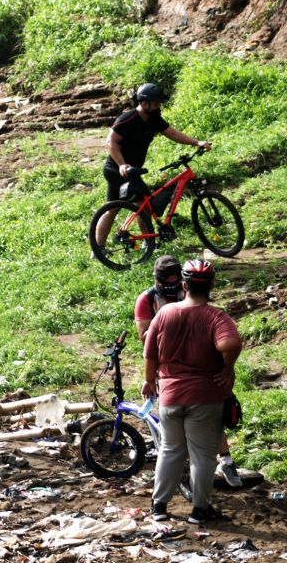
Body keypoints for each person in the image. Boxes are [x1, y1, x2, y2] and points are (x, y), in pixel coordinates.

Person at [142, 259, 242, 524]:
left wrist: (149, 380)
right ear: (211, 286)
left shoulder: (165, 313)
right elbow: (230, 343)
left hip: (170, 396)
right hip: (204, 398)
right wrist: (227, 369)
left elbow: (150, 353)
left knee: (170, 450)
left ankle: (159, 507)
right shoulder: (215, 316)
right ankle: (200, 510)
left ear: (184, 286)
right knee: (202, 455)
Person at [94, 83, 212, 249]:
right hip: (116, 170)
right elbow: (111, 142)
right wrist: (122, 165)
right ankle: (106, 248)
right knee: (120, 208)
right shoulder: (128, 118)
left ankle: (146, 243)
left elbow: (171, 132)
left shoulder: (153, 118)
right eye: (155, 103)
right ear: (144, 103)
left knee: (140, 205)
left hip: (132, 171)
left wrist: (196, 142)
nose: (158, 106)